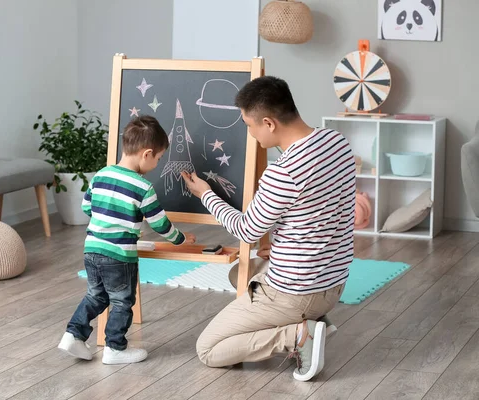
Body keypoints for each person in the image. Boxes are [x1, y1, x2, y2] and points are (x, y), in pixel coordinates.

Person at [181, 76, 355, 381]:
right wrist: (284, 246)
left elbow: (247, 231)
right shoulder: (337, 143)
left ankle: (299, 335)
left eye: (250, 125)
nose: (250, 133)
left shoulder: (284, 171)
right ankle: (315, 320)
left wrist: (206, 194)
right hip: (334, 284)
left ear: (269, 123)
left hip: (296, 293)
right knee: (240, 273)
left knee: (208, 349)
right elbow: (328, 213)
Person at [59, 115, 196, 365]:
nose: (157, 164)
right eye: (158, 158)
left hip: (92, 249)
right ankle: (115, 348)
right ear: (147, 154)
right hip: (118, 256)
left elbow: (87, 207)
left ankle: (73, 334)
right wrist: (182, 239)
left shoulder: (101, 174)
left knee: (96, 296)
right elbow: (160, 224)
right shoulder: (142, 187)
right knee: (122, 300)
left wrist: (113, 217)